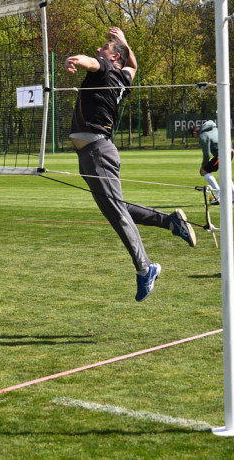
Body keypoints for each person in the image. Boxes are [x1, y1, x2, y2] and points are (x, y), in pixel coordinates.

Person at [65, 26, 196, 302]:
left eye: (106, 47)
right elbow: (133, 64)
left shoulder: (103, 66)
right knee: (119, 208)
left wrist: (74, 60)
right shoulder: (123, 77)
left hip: (97, 152)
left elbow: (89, 61)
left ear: (113, 58)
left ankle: (145, 267)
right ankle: (172, 223)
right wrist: (123, 42)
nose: (100, 48)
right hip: (95, 152)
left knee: (115, 212)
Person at [190, 120, 234, 205]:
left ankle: (218, 193)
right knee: (226, 176)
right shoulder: (214, 129)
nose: (194, 137)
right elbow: (227, 137)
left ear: (195, 132)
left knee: (204, 171)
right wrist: (231, 148)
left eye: (193, 135)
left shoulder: (203, 136)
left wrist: (203, 166)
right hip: (229, 151)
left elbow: (207, 154)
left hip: (222, 155)